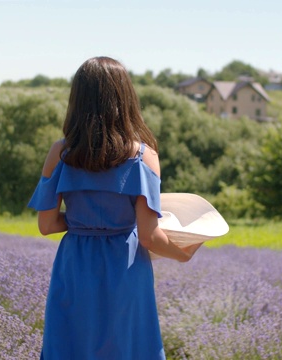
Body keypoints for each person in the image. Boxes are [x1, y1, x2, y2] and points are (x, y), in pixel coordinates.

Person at [27, 56, 201, 359]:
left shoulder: (60, 152)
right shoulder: (144, 156)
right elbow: (148, 236)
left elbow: (46, 225)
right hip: (125, 268)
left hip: (74, 267)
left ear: (77, 98)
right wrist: (182, 254)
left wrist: (85, 221)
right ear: (126, 97)